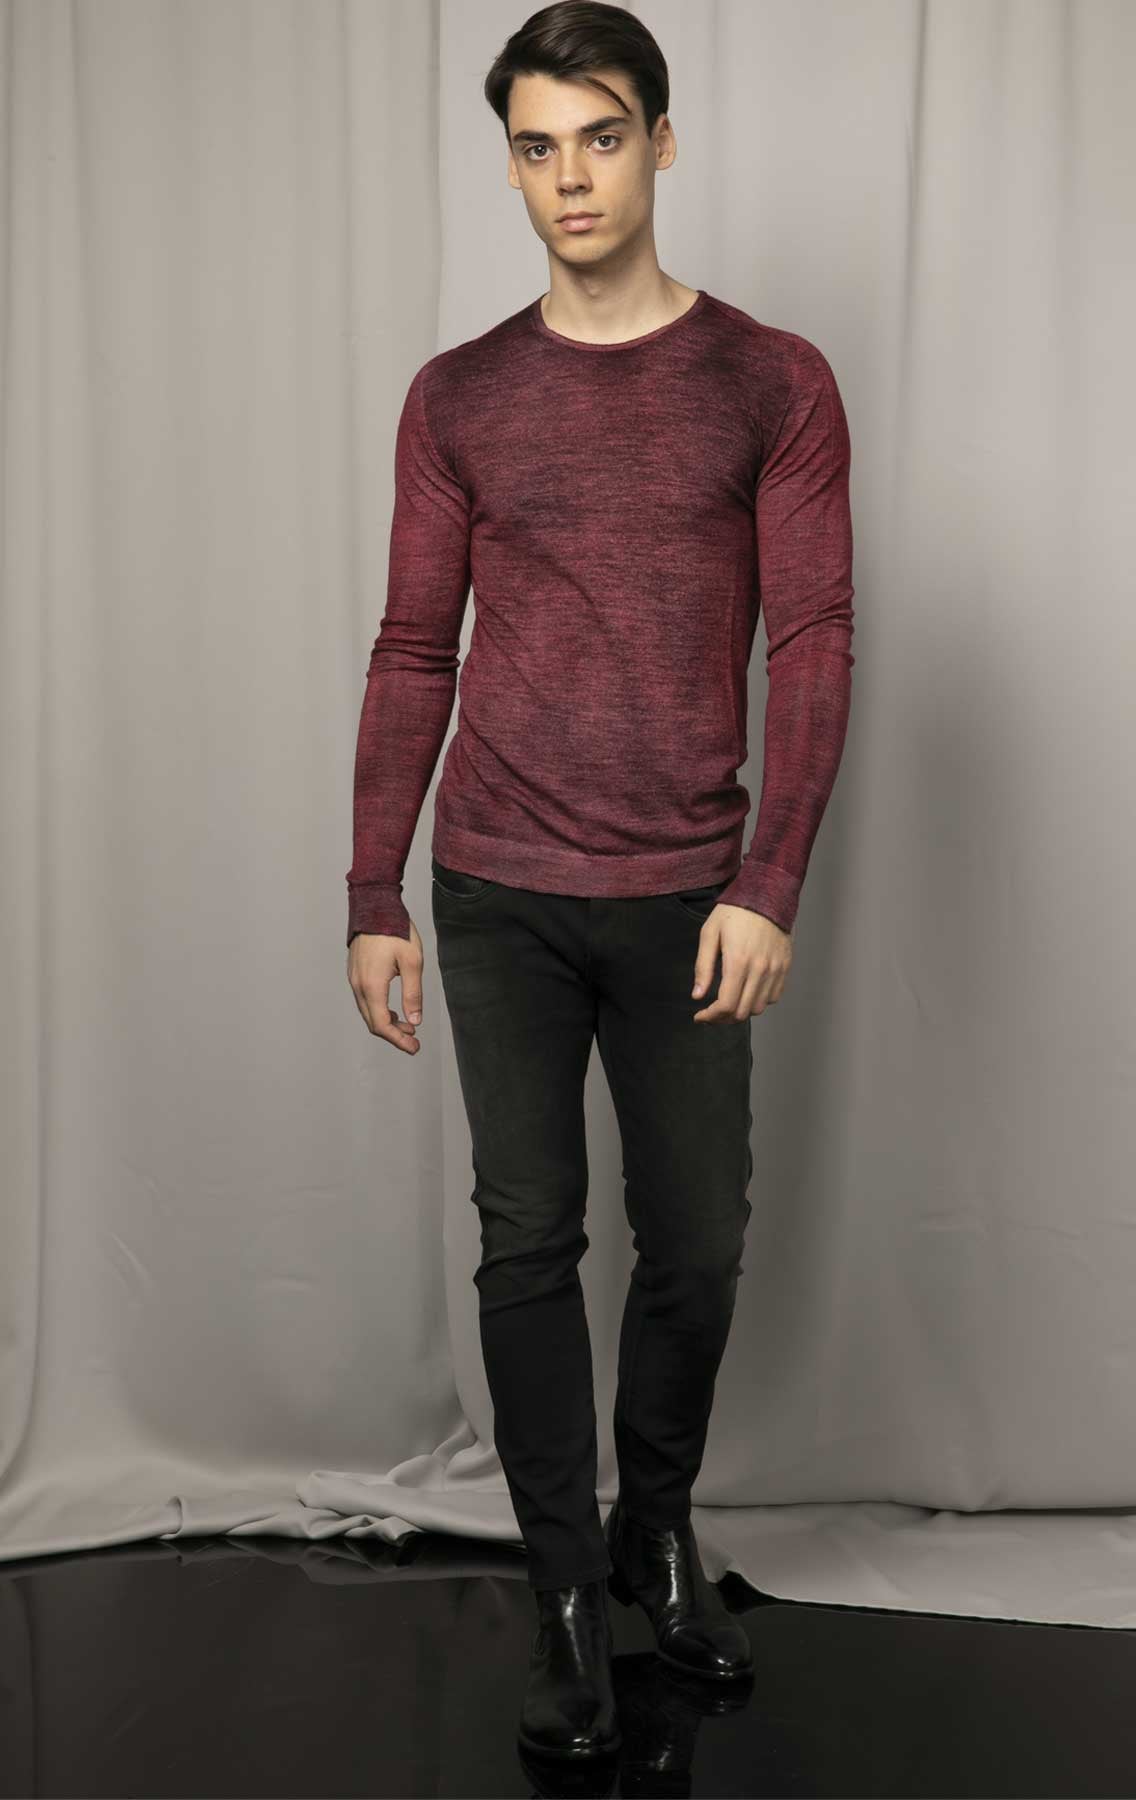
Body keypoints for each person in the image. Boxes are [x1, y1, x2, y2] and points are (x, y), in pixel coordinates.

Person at [345, 0, 855, 1761]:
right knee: (528, 1237)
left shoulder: (770, 378)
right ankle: (569, 1590)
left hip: (690, 891)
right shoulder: (460, 395)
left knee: (698, 1242)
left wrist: (770, 880)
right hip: (496, 884)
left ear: (661, 143)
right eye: (537, 147)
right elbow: (415, 647)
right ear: (511, 166)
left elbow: (818, 635)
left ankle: (658, 1526)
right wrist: (373, 890)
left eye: (602, 137)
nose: (571, 177)